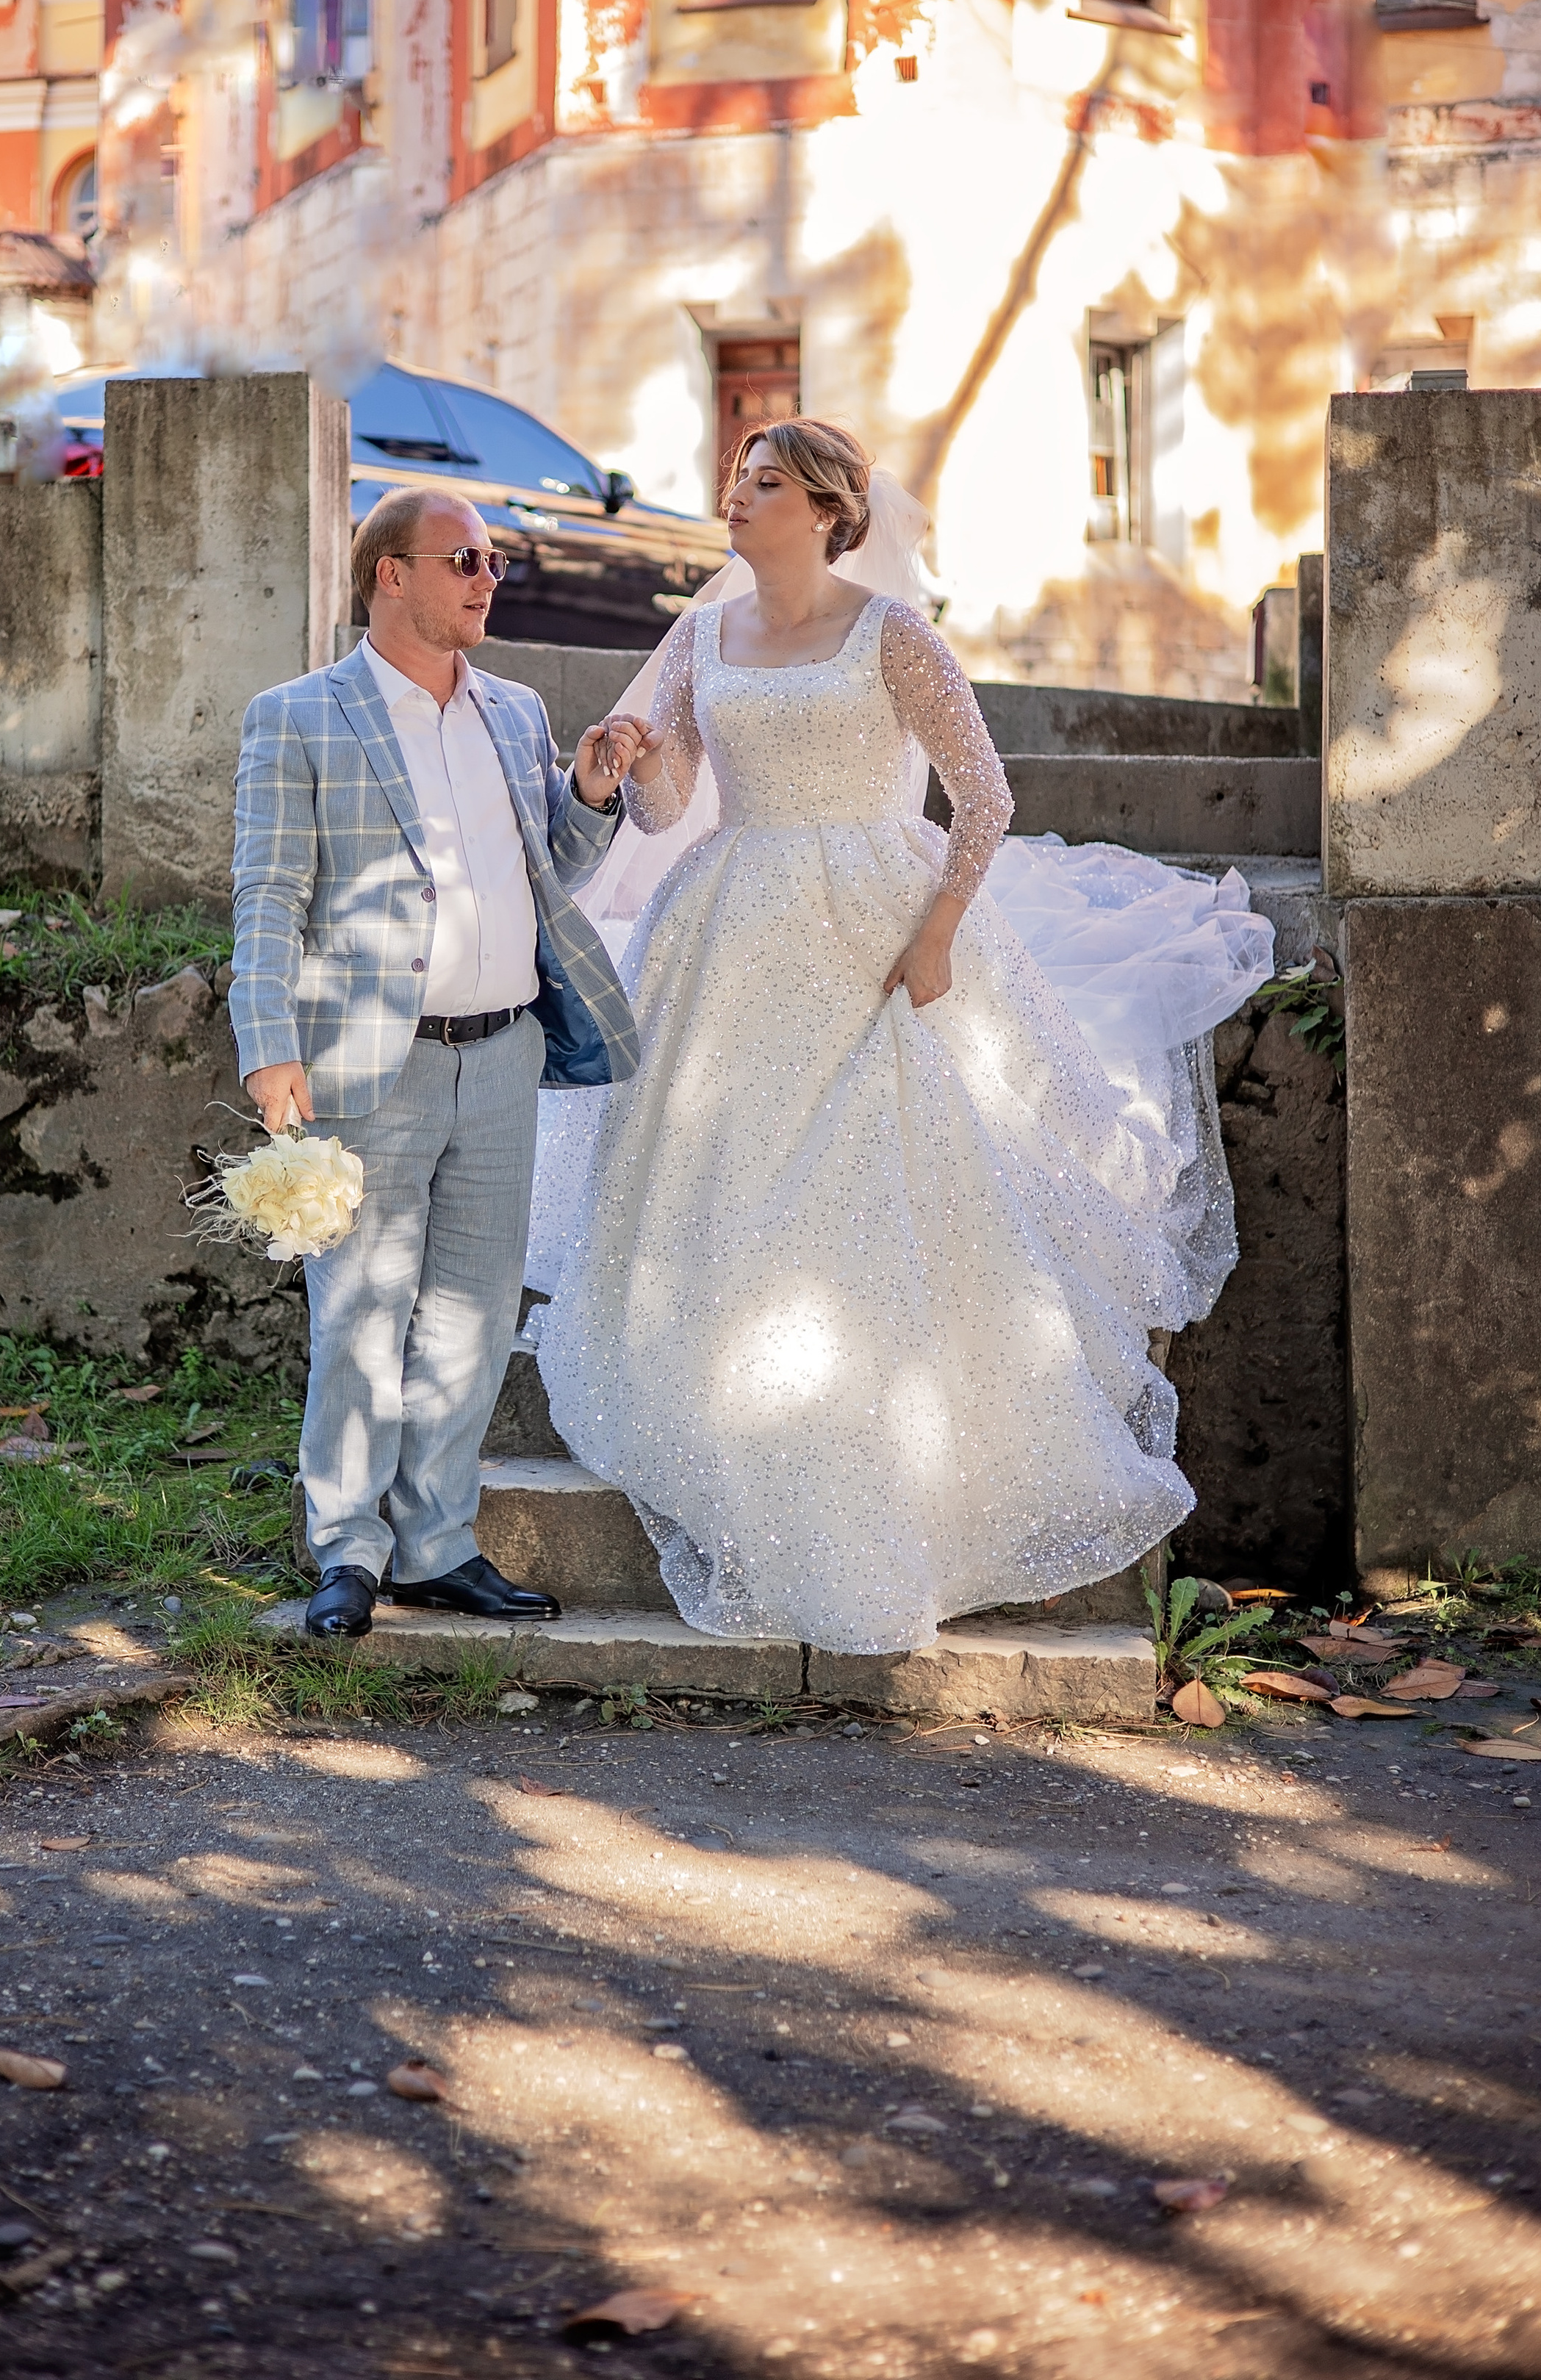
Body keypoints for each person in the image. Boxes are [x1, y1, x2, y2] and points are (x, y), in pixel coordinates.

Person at [530, 420, 1274, 1656]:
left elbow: (985, 796)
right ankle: (748, 1411)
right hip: (731, 923)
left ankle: (898, 1454)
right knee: (735, 1171)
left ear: (826, 508)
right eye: (737, 479)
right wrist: (627, 763)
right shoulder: (697, 635)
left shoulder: (890, 634)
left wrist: (935, 938)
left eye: (764, 483)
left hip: (874, 924)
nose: (737, 496)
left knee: (875, 1177)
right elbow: (668, 803)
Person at [229, 487, 642, 1642]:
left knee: (471, 1313)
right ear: (390, 575)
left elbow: (546, 863)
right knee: (359, 1315)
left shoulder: (514, 712)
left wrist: (594, 795)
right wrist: (269, 1052)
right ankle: (348, 1554)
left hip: (505, 1051)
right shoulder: (300, 718)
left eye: (497, 560)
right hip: (370, 1067)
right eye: (464, 558)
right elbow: (268, 895)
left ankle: (439, 1545)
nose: (487, 579)